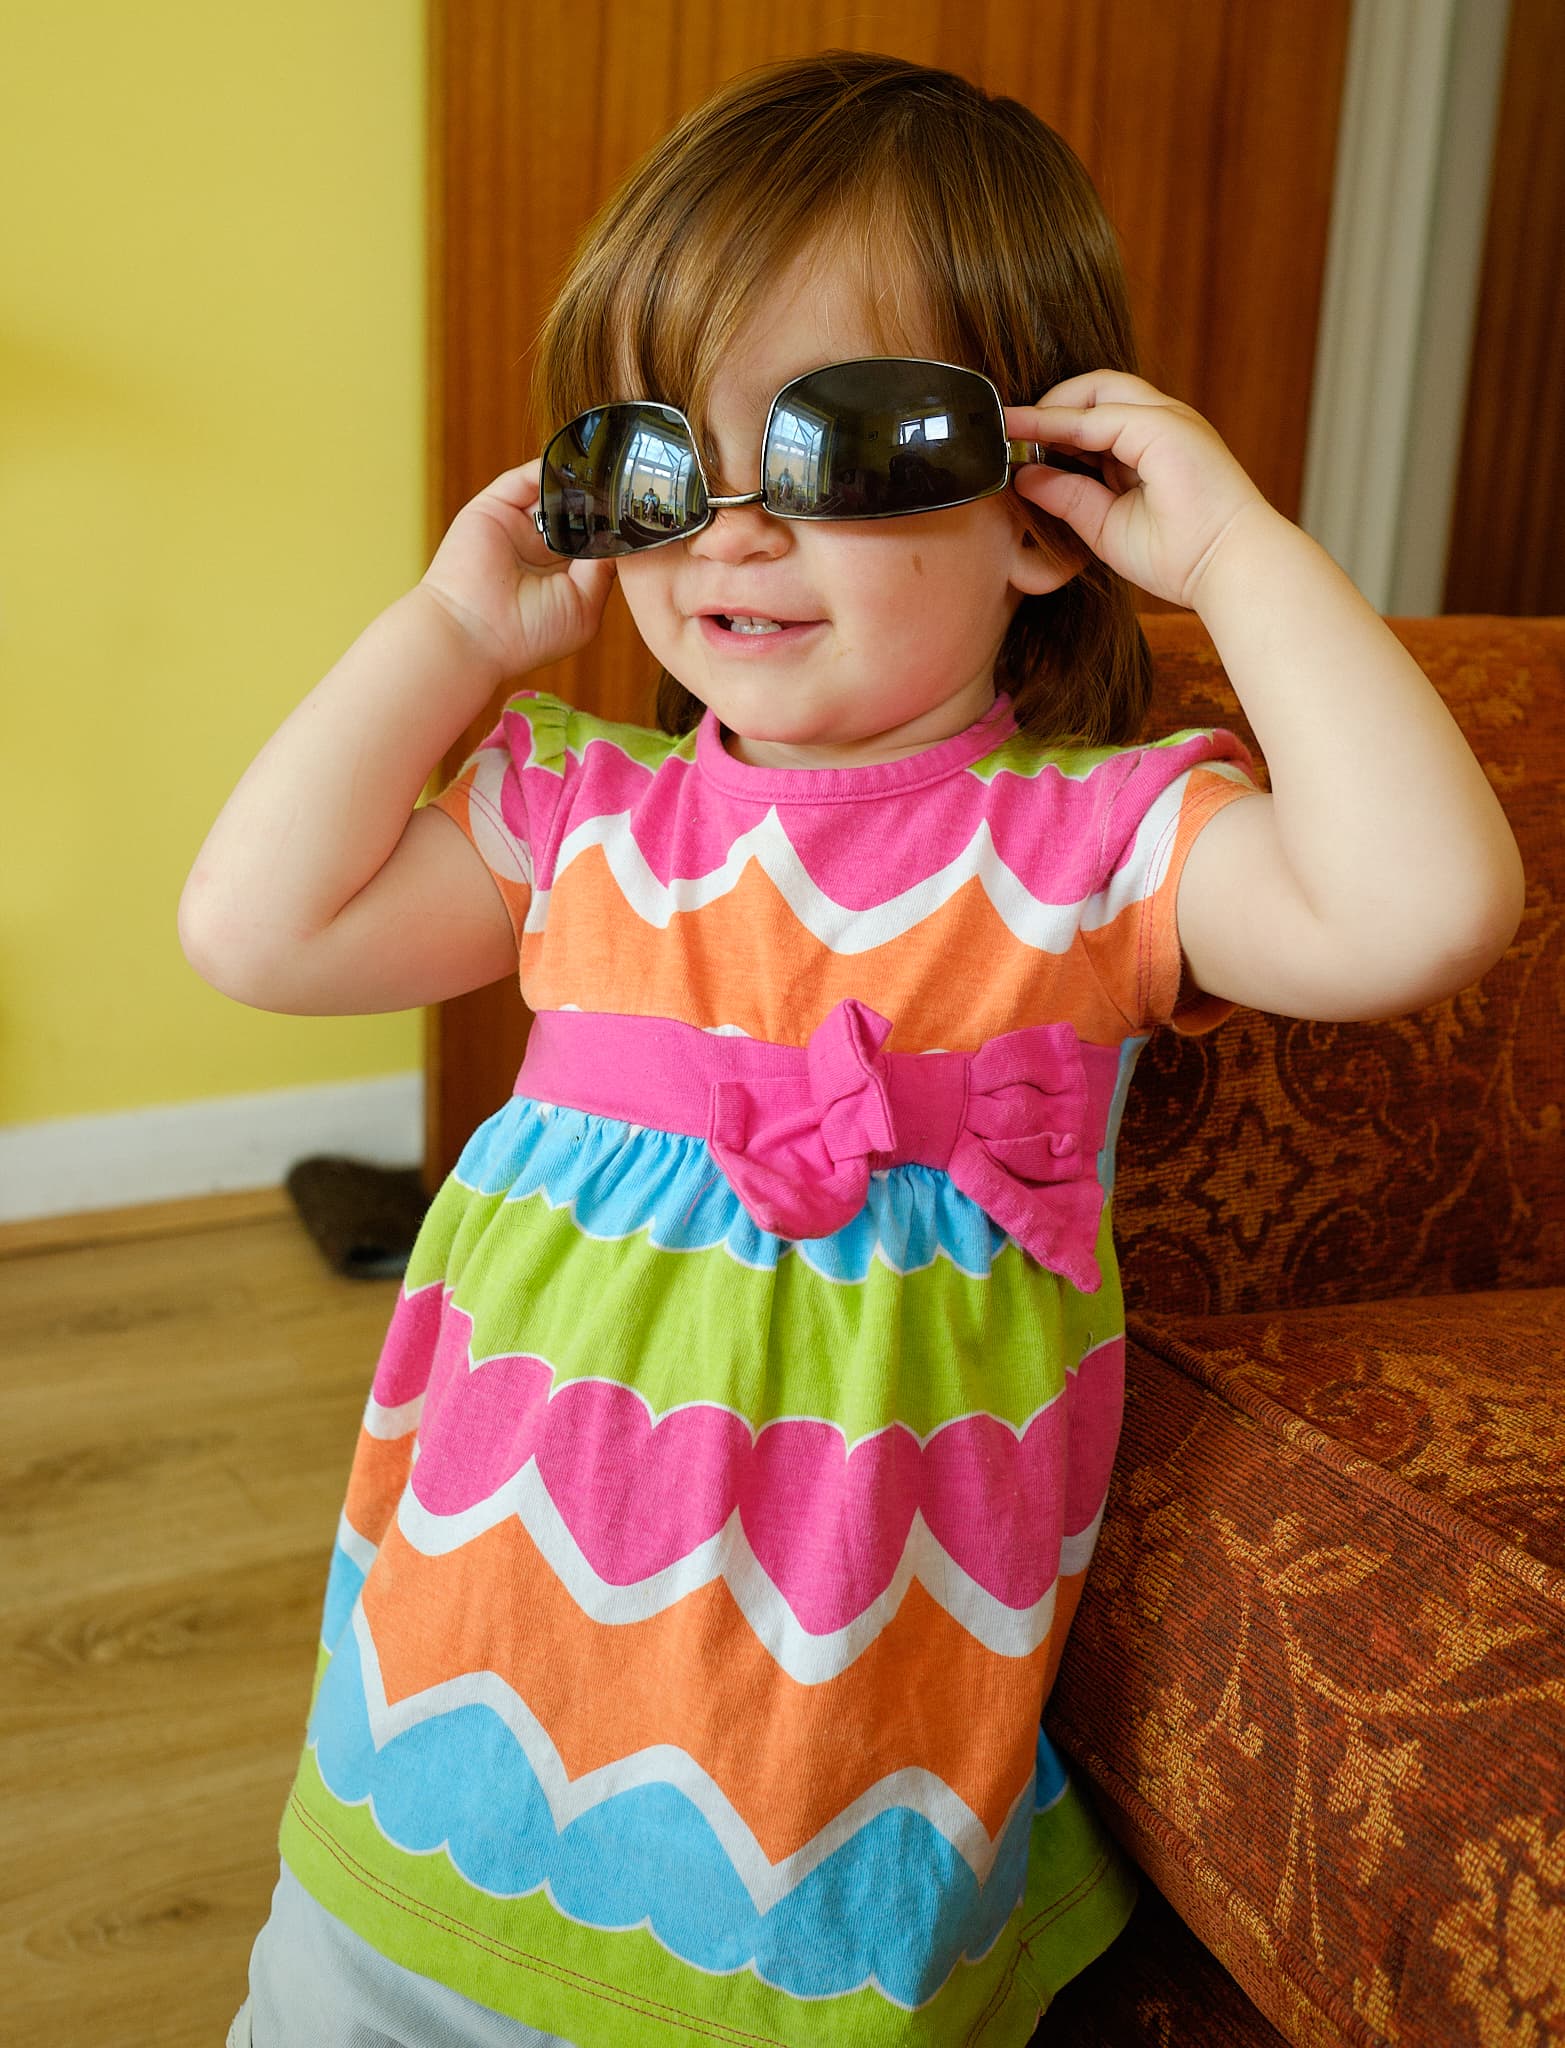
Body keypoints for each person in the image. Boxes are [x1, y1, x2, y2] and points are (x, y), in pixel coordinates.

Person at [181, 49, 1524, 2048]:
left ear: (1052, 509)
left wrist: (1239, 555)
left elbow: (1425, 903)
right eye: (656, 461)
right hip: (461, 1690)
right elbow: (254, 929)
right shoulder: (587, 811)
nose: (728, 529)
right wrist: (452, 636)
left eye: (848, 444)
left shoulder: (1091, 844)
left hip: (824, 1754)